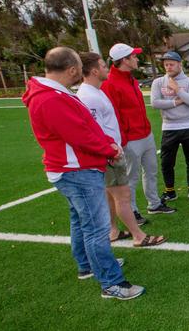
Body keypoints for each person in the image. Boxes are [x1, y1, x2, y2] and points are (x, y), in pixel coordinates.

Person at [22, 47, 145, 300]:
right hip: (76, 170)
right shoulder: (50, 98)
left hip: (74, 168)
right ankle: (112, 283)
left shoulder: (53, 93)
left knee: (81, 221)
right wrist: (109, 150)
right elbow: (78, 134)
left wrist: (106, 144)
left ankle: (86, 265)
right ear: (72, 69)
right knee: (96, 227)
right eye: (78, 65)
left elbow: (85, 127)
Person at [77, 52, 166, 247]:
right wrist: (113, 149)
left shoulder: (97, 90)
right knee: (123, 195)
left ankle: (113, 230)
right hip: (110, 153)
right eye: (102, 65)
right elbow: (94, 130)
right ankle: (138, 236)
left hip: (114, 149)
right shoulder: (88, 96)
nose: (106, 68)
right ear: (93, 70)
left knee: (111, 194)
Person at [102, 43, 175, 226]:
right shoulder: (110, 84)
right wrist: (123, 140)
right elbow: (114, 115)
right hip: (130, 139)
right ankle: (132, 210)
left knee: (151, 170)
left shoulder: (131, 79)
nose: (137, 59)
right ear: (124, 60)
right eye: (133, 56)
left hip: (145, 134)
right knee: (130, 177)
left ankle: (154, 203)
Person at [150, 51, 189, 202]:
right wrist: (176, 102)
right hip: (169, 127)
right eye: (166, 64)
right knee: (167, 162)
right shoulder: (158, 82)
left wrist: (177, 90)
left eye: (171, 64)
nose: (168, 67)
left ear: (180, 64)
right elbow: (155, 103)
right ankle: (170, 191)